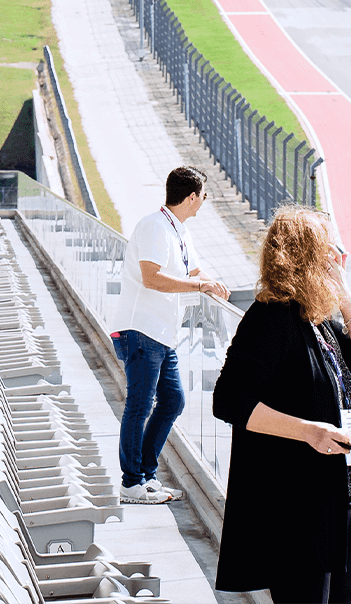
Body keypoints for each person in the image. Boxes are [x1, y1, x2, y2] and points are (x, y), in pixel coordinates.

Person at [212, 206, 351, 602]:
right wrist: (310, 431)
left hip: (336, 499)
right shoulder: (269, 319)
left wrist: (345, 298)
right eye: (330, 252)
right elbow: (229, 400)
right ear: (306, 258)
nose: (337, 260)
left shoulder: (316, 317)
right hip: (295, 508)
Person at [110, 166, 230, 504]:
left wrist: (214, 284)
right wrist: (199, 284)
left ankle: (146, 477)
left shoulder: (179, 230)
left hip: (163, 333)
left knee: (173, 400)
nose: (205, 201)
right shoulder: (154, 226)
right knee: (140, 405)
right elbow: (152, 278)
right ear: (191, 197)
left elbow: (194, 271)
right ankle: (131, 482)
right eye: (204, 195)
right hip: (142, 329)